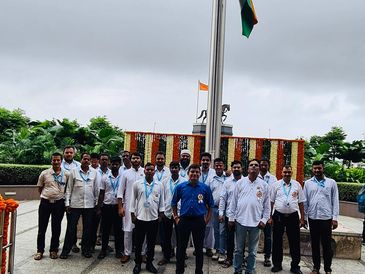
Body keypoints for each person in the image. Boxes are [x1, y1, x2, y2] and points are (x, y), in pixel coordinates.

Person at [228, 159, 271, 274]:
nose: (254, 167)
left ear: (259, 169)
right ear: (248, 169)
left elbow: (267, 206)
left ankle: (250, 270)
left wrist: (264, 219)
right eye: (251, 165)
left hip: (256, 223)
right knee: (238, 250)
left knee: (252, 251)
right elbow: (233, 202)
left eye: (256, 165)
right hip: (240, 221)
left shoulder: (264, 185)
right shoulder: (240, 183)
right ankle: (237, 270)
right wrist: (231, 218)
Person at [172, 164, 214, 274]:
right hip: (184, 220)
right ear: (188, 173)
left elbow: (211, 206)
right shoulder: (180, 187)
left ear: (199, 174)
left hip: (199, 221)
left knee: (199, 249)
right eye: (192, 172)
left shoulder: (205, 188)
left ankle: (199, 271)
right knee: (181, 248)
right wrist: (176, 217)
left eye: (196, 172)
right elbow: (173, 203)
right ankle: (179, 270)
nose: (194, 174)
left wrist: (206, 220)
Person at [60, 152, 98, 259]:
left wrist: (96, 204)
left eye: (88, 159)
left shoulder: (94, 173)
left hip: (89, 205)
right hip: (75, 205)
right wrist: (67, 203)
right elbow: (68, 189)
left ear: (90, 161)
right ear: (81, 160)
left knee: (88, 229)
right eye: (84, 159)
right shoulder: (74, 172)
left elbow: (96, 189)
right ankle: (65, 251)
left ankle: (85, 250)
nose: (86, 161)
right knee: (71, 228)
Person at [303, 160, 339, 274]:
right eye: (315, 168)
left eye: (319, 168)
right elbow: (305, 202)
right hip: (313, 218)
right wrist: (304, 217)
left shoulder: (331, 182)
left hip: (326, 218)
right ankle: (316, 268)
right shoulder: (308, 183)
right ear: (312, 169)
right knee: (314, 244)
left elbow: (335, 200)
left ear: (323, 168)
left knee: (326, 245)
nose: (317, 170)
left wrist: (335, 218)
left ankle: (328, 268)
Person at [34, 152, 69, 260]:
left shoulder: (66, 174)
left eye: (58, 160)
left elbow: (67, 188)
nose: (56, 162)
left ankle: (53, 250)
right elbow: (40, 187)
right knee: (42, 227)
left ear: (61, 161)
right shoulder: (44, 173)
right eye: (54, 160)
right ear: (51, 161)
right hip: (45, 203)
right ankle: (40, 251)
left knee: (56, 227)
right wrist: (45, 196)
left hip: (59, 204)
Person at [270, 165, 305, 274]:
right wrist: (269, 217)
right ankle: (277, 264)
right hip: (278, 216)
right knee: (276, 241)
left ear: (292, 173)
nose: (287, 174)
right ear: (281, 173)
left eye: (289, 172)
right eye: (285, 172)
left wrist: (302, 218)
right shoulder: (276, 185)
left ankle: (295, 266)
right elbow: (271, 201)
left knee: (294, 241)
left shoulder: (297, 185)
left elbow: (301, 202)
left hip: (293, 216)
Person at [130, 163, 165, 274]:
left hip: (153, 219)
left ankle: (149, 263)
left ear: (154, 172)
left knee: (151, 243)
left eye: (151, 170)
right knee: (138, 243)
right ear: (144, 171)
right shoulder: (137, 184)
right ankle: (138, 264)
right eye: (147, 169)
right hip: (140, 218)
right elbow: (132, 200)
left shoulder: (159, 185)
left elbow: (162, 201)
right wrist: (132, 214)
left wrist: (161, 214)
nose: (149, 171)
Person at [117, 152, 145, 263]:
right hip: (128, 206)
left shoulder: (145, 172)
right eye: (133, 158)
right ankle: (127, 253)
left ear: (141, 160)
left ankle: (143, 253)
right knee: (127, 230)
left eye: (138, 158)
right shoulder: (125, 173)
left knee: (143, 230)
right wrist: (120, 207)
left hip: (143, 206)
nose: (136, 160)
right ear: (131, 160)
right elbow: (120, 192)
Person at [96, 156, 123, 259]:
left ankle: (118, 251)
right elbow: (101, 193)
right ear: (110, 165)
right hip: (107, 207)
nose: (115, 166)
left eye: (117, 164)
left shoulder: (122, 177)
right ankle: (103, 250)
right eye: (113, 164)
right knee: (105, 230)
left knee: (118, 230)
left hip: (118, 206)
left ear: (119, 166)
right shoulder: (105, 177)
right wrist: (99, 208)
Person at [158, 161, 183, 266]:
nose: (174, 169)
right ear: (170, 169)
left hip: (180, 213)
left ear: (179, 169)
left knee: (180, 237)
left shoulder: (184, 182)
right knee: (166, 237)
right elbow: (161, 197)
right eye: (172, 167)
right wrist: (161, 211)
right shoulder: (164, 182)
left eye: (176, 167)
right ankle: (166, 257)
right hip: (167, 212)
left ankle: (180, 259)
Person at [219, 160, 243, 268]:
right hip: (230, 215)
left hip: (243, 216)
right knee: (230, 238)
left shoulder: (246, 181)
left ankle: (240, 259)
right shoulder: (227, 182)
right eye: (234, 167)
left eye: (238, 167)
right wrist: (221, 213)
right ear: (231, 169)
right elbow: (223, 198)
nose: (236, 169)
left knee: (241, 240)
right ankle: (229, 258)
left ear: (242, 168)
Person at [61, 145, 81, 253]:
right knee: (57, 223)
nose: (69, 154)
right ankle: (55, 245)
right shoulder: (59, 164)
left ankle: (73, 243)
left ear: (74, 154)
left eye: (71, 152)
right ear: (63, 153)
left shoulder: (78, 165)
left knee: (72, 223)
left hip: (72, 199)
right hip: (59, 197)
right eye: (67, 152)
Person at [258, 158, 277, 267]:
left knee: (268, 236)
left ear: (268, 166)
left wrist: (270, 215)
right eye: (262, 165)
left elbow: (274, 197)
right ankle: (251, 255)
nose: (263, 167)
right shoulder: (255, 177)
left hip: (268, 212)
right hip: (256, 212)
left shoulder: (273, 179)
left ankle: (267, 257)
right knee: (253, 235)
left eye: (265, 165)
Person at [208, 158, 226, 262]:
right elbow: (209, 194)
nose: (218, 167)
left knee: (223, 231)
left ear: (224, 166)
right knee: (216, 230)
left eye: (220, 165)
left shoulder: (228, 178)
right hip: (214, 208)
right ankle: (217, 250)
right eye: (217, 165)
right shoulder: (211, 179)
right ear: (214, 166)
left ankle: (222, 252)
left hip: (224, 209)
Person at [200, 152, 216, 257]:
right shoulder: (196, 170)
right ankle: (199, 247)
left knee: (210, 227)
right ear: (200, 161)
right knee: (199, 226)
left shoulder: (214, 172)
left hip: (210, 204)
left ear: (210, 162)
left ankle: (209, 248)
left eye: (207, 160)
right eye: (203, 160)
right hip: (198, 203)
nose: (205, 162)